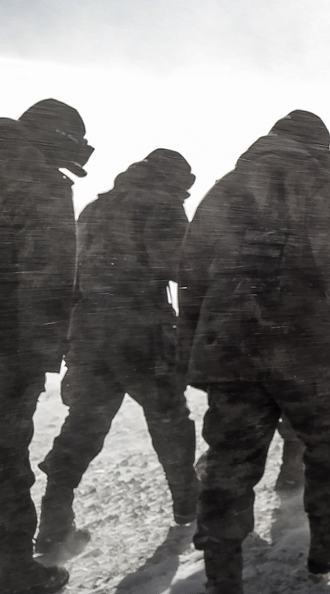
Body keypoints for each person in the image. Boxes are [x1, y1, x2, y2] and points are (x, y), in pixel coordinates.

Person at [177, 110, 330, 592]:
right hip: (305, 345)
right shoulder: (321, 185)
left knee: (231, 456)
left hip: (230, 348)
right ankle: (329, 543)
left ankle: (223, 575)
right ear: (317, 149)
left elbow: (191, 273)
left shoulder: (225, 187)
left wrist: (192, 346)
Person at [35, 149, 199, 556]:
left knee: (84, 425)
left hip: (90, 331)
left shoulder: (95, 208)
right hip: (141, 329)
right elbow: (184, 268)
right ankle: (188, 504)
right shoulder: (162, 206)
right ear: (174, 180)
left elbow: (72, 273)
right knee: (169, 419)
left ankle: (54, 521)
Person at [0, 99, 93, 594]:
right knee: (5, 461)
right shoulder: (38, 181)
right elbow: (47, 279)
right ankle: (14, 572)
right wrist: (40, 357)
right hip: (6, 348)